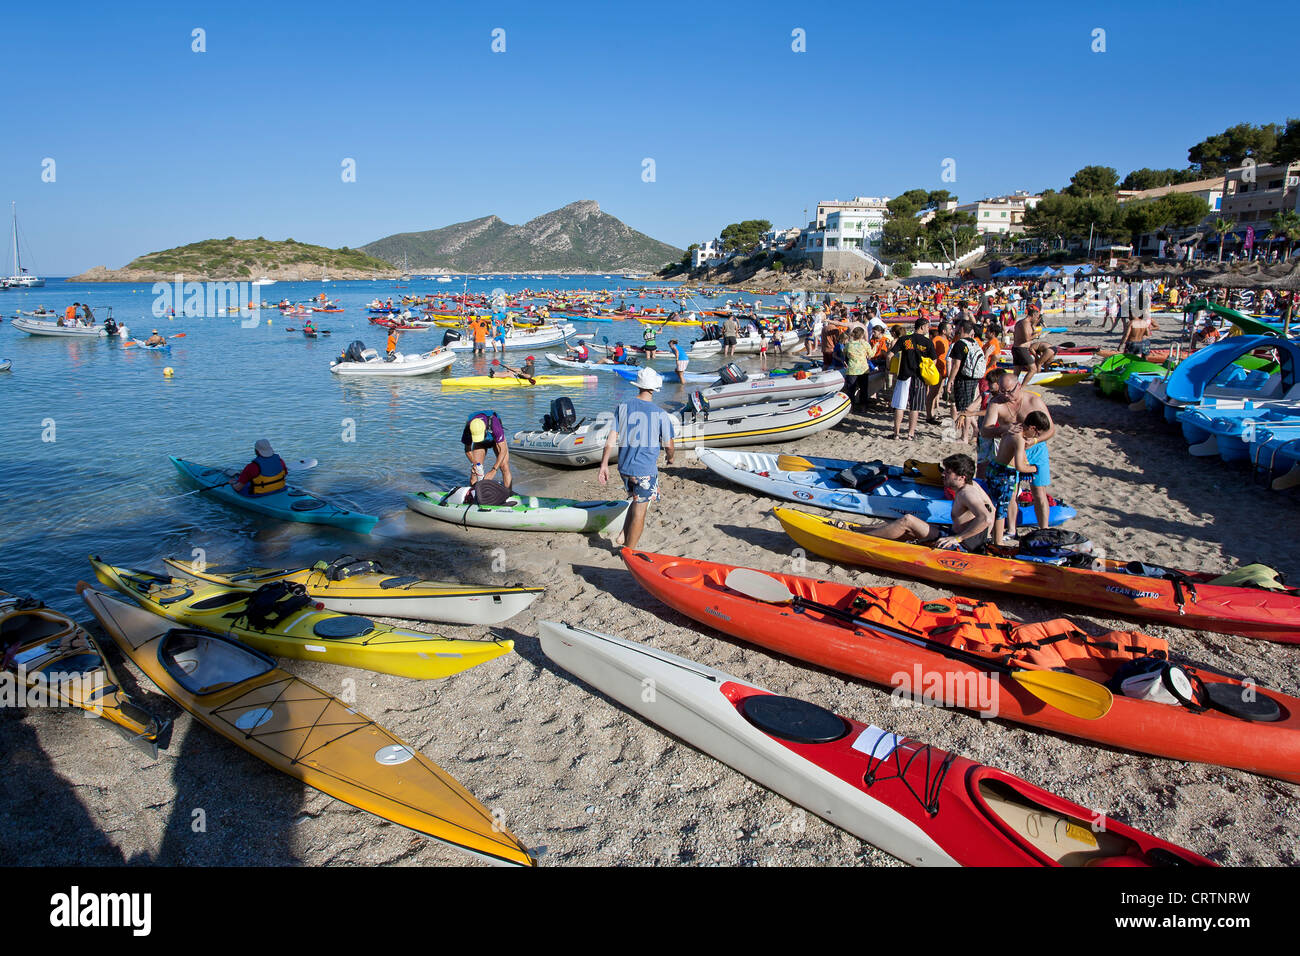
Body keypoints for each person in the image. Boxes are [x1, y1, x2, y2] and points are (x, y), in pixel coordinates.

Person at [598, 367, 676, 549]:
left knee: (635, 500)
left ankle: (622, 536)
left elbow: (611, 437)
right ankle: (629, 551)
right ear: (654, 388)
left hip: (624, 468)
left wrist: (604, 464)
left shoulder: (623, 407)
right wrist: (670, 458)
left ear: (638, 386)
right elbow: (669, 445)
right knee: (640, 510)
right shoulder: (660, 414)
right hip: (645, 471)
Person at [862, 454, 993, 552]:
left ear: (961, 477)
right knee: (911, 528)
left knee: (908, 521)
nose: (943, 475)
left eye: (948, 473)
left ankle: (862, 539)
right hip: (959, 538)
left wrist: (959, 538)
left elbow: (986, 518)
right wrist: (984, 540)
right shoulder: (973, 485)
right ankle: (858, 530)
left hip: (961, 546)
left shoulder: (967, 493)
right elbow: (992, 510)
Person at [981, 370, 1057, 529]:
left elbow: (1051, 430)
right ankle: (1012, 530)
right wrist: (1005, 428)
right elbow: (985, 431)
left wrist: (1035, 439)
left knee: (1039, 493)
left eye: (1009, 391)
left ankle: (1044, 529)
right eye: (1002, 391)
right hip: (1011, 451)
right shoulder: (996, 403)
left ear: (1019, 385)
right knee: (1010, 493)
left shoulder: (1033, 401)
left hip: (1035, 449)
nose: (1006, 395)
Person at [986, 410, 1048, 545]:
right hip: (1004, 474)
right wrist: (1036, 468)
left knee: (994, 505)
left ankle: (994, 538)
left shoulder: (1013, 429)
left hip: (993, 468)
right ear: (1032, 428)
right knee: (1001, 510)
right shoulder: (1019, 438)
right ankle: (998, 543)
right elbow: (1020, 466)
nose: (1034, 438)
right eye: (1037, 434)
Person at [888, 317, 937, 440]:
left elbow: (890, 354)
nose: (928, 329)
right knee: (915, 407)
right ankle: (910, 434)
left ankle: (896, 433)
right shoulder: (927, 342)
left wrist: (889, 368)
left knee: (900, 405)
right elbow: (934, 360)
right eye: (927, 326)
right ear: (922, 327)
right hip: (919, 377)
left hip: (904, 375)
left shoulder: (904, 339)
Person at [943, 319, 986, 444]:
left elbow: (956, 365)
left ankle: (964, 437)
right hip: (974, 378)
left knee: (964, 409)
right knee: (968, 407)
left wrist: (950, 380)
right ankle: (973, 431)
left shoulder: (960, 344)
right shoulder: (974, 343)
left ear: (961, 329)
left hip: (964, 378)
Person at [462, 410, 511, 489]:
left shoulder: (494, 425)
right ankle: (474, 496)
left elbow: (503, 450)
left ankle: (509, 494)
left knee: (504, 466)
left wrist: (493, 470)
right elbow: (467, 449)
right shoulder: (468, 428)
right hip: (480, 443)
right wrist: (474, 464)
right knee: (474, 475)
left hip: (496, 441)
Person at [843, 325, 871, 410]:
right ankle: (863, 407)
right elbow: (870, 355)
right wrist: (876, 346)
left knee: (851, 389)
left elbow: (844, 354)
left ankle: (851, 407)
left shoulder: (848, 344)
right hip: (863, 369)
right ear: (862, 335)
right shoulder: (865, 344)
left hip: (852, 369)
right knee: (863, 389)